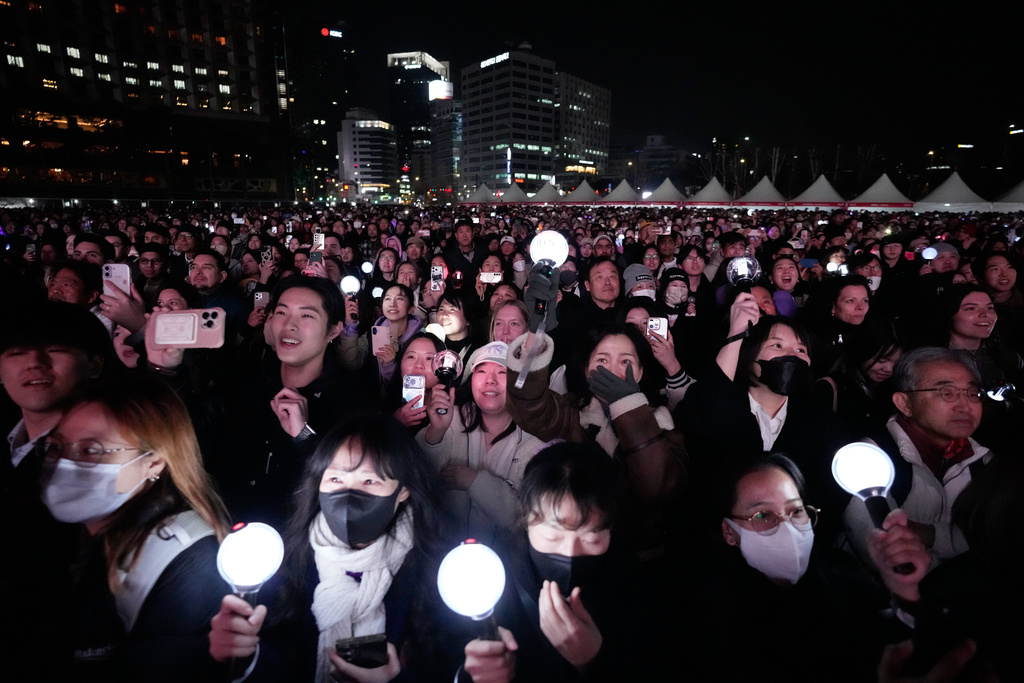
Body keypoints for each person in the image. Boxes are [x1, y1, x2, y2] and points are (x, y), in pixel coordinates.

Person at [208, 414, 449, 682]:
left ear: (403, 490)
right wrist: (245, 657)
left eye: (369, 481)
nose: (349, 495)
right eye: (335, 479)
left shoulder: (437, 576)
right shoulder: (284, 565)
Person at [42, 376, 231, 681]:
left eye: (92, 451)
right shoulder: (50, 531)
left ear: (154, 463)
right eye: (57, 447)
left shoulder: (188, 559)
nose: (66, 462)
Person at [687, 454, 928, 682]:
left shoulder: (840, 573)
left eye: (796, 511)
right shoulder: (711, 613)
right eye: (762, 515)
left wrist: (904, 592)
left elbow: (898, 650)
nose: (788, 529)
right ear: (729, 531)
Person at [506, 264, 684, 556]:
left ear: (640, 371)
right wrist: (534, 338)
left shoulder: (664, 423)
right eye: (602, 360)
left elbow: (656, 488)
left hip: (640, 556)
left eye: (626, 362)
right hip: (577, 549)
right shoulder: (574, 414)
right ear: (586, 368)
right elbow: (530, 407)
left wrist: (626, 403)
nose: (613, 370)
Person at [461, 441, 662, 683]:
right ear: (526, 521)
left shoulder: (638, 592)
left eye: (592, 538)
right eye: (552, 537)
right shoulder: (486, 585)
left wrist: (594, 662)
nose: (570, 554)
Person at [677, 293, 852, 546]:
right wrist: (736, 333)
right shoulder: (722, 406)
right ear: (749, 357)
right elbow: (700, 412)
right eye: (777, 346)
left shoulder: (820, 421)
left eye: (801, 350)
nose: (792, 355)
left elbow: (830, 496)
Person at [842, 347, 992, 566]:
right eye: (946, 393)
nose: (965, 406)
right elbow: (890, 557)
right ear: (905, 403)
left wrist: (929, 534)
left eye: (973, 393)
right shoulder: (869, 460)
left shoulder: (984, 462)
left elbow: (1000, 538)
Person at [418, 341, 544, 543]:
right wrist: (437, 431)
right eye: (482, 371)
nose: (490, 380)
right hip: (446, 549)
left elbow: (524, 518)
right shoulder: (453, 419)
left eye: (502, 372)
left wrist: (473, 481)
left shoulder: (533, 440)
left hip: (506, 561)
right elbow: (420, 479)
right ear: (471, 378)